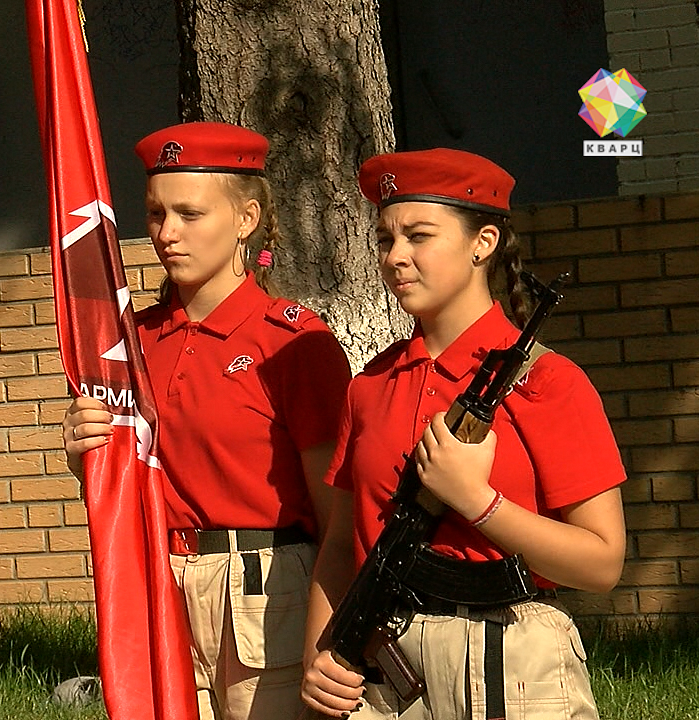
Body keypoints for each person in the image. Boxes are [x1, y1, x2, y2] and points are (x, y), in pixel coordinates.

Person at [301, 148, 627, 719]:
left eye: (419, 236)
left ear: (484, 243)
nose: (396, 257)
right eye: (385, 240)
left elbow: (602, 564)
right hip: (381, 668)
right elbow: (338, 544)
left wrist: (478, 502)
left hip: (510, 660)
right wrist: (321, 656)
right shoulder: (371, 385)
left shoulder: (548, 381)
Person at [62, 121, 353, 719]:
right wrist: (84, 458)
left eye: (190, 214)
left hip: (267, 594)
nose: (167, 234)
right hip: (158, 588)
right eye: (155, 214)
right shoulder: (128, 345)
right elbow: (134, 483)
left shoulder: (293, 343)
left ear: (246, 218)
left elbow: (339, 519)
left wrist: (337, 640)